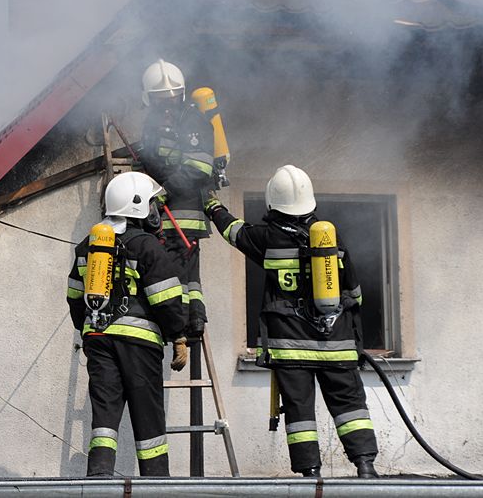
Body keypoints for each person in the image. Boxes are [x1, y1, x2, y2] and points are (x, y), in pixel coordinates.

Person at [204, 165, 379, 478]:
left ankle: (310, 473)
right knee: (351, 408)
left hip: (291, 347)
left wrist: (212, 205)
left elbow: (235, 232)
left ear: (273, 202)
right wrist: (354, 339)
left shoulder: (267, 239)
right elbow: (354, 292)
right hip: (337, 345)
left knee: (300, 413)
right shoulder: (331, 236)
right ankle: (365, 465)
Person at [67, 171, 190, 477]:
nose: (155, 211)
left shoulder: (88, 246)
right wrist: (179, 336)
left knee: (105, 412)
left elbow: (74, 296)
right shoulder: (146, 245)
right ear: (137, 206)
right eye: (151, 204)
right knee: (147, 413)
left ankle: (99, 475)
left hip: (97, 337)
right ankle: (156, 480)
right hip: (139, 344)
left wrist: (90, 328)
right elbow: (167, 297)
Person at [137, 58, 221, 339]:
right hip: (167, 209)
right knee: (185, 274)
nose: (168, 105)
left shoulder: (192, 120)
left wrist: (163, 193)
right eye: (161, 100)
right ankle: (193, 321)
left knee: (178, 270)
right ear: (149, 99)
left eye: (172, 99)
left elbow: (199, 167)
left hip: (184, 209)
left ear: (182, 95)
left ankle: (184, 327)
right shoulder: (155, 122)